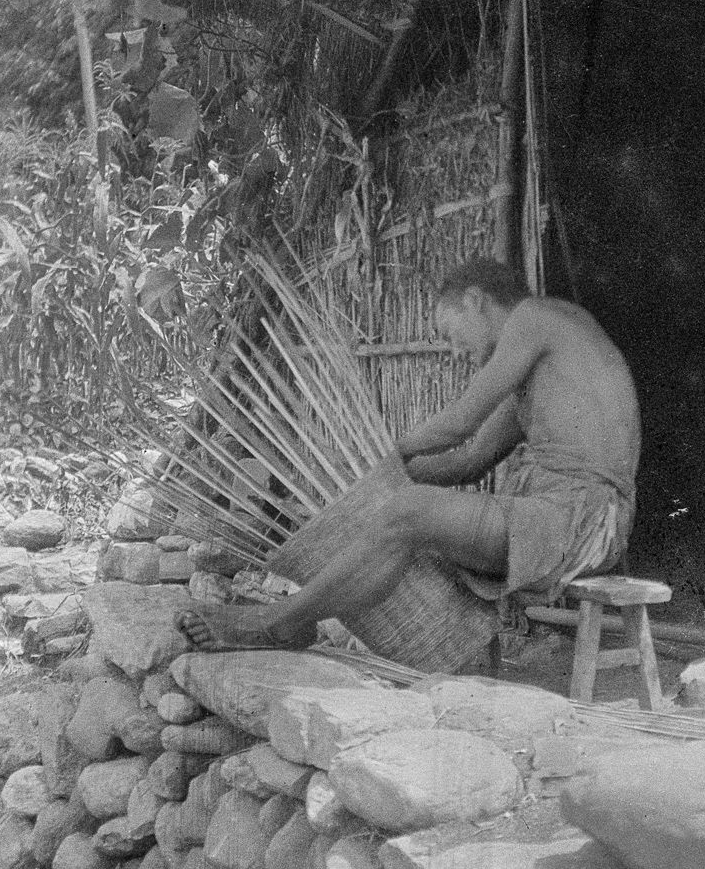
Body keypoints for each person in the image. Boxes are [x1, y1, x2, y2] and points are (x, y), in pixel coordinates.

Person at [176, 258, 641, 651]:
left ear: (475, 300)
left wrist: (390, 454)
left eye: (451, 333)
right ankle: (295, 619)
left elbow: (460, 424)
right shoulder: (546, 380)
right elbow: (466, 461)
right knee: (401, 512)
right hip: (567, 524)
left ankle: (277, 621)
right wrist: (377, 479)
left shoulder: (535, 317)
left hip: (580, 523)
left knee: (407, 513)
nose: (455, 351)